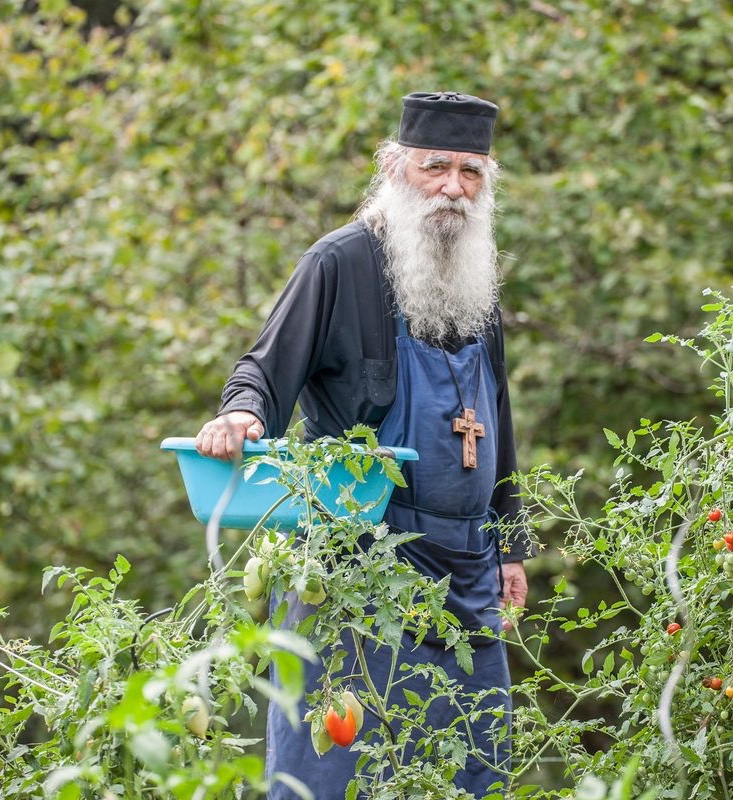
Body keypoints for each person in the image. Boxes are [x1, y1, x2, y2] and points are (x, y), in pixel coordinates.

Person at [196, 91, 528, 798]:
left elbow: (496, 416)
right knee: (337, 772)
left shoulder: (479, 279)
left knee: (475, 764)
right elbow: (261, 371)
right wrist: (242, 415)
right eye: (435, 167)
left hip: (468, 573)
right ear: (395, 167)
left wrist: (512, 545)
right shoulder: (340, 263)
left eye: (472, 174)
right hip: (359, 569)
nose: (453, 188)